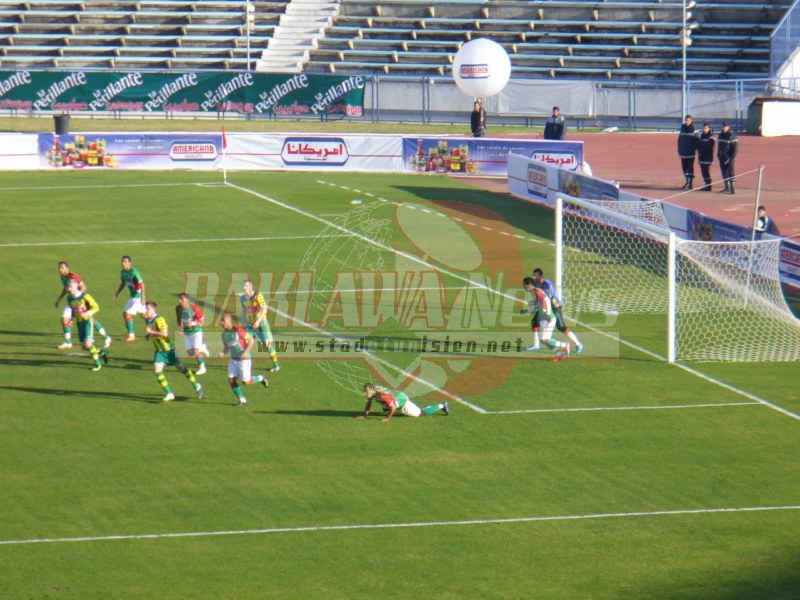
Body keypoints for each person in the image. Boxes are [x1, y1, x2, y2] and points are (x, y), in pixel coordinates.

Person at [143, 301, 203, 403]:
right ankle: (169, 393)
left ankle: (196, 385)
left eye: (147, 309)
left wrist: (151, 332)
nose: (146, 310)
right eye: (146, 308)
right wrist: (149, 336)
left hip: (168, 350)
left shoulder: (159, 319)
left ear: (153, 309)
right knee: (157, 371)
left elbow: (165, 334)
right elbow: (155, 334)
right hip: (159, 351)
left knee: (182, 369)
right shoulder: (148, 321)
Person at [55, 261, 112, 350]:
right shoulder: (62, 277)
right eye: (59, 268)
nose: (60, 270)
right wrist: (59, 299)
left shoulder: (73, 276)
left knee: (91, 320)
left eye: (62, 268)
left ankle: (106, 337)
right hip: (71, 301)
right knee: (64, 319)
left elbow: (83, 287)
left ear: (67, 268)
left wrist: (79, 299)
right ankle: (68, 342)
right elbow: (65, 289)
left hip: (79, 301)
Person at [218, 313, 268, 407]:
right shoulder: (224, 334)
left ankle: (261, 378)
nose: (221, 323)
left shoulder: (238, 330)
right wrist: (223, 353)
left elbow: (251, 340)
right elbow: (226, 347)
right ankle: (242, 399)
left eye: (223, 321)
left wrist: (245, 352)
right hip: (233, 360)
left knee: (246, 382)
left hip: (244, 360)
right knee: (231, 380)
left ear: (229, 322)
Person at [531, 268, 583, 353]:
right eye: (533, 275)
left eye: (535, 275)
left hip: (555, 307)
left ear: (541, 276)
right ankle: (536, 344)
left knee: (561, 326)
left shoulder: (547, 284)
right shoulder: (536, 284)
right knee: (534, 322)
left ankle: (577, 343)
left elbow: (547, 298)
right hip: (545, 308)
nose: (534, 277)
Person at [519, 277, 570, 361]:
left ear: (529, 285)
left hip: (548, 319)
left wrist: (548, 314)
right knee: (544, 340)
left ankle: (564, 345)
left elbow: (546, 300)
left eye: (524, 284)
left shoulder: (537, 292)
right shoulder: (533, 293)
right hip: (543, 319)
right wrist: (526, 311)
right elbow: (536, 307)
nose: (523, 286)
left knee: (544, 339)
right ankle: (559, 354)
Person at [65, 278, 109, 371]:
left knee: (88, 344)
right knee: (84, 347)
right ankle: (102, 352)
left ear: (76, 287)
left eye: (71, 287)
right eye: (68, 287)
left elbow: (96, 307)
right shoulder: (69, 298)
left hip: (87, 322)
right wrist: (71, 319)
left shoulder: (85, 296)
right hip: (79, 323)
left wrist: (87, 313)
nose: (69, 289)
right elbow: (73, 310)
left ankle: (98, 364)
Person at [241, 278, 280, 372]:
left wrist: (258, 322)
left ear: (251, 287)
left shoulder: (258, 296)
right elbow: (244, 310)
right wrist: (243, 323)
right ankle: (246, 365)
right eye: (243, 285)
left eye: (246, 286)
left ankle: (276, 365)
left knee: (266, 345)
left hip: (261, 324)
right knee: (246, 342)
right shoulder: (242, 298)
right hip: (250, 324)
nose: (244, 287)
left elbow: (264, 309)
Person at [356, 383, 449, 422]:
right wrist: (365, 415)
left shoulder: (381, 395)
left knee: (420, 413)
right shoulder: (374, 391)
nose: (365, 393)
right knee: (387, 405)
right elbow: (369, 402)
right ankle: (386, 407)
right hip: (396, 396)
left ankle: (442, 405)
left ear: (372, 390)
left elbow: (392, 407)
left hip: (403, 401)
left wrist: (388, 418)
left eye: (366, 392)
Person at [113, 255, 145, 341]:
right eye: (122, 261)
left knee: (126, 313)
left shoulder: (134, 272)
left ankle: (131, 335)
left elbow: (142, 284)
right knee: (144, 315)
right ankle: (160, 326)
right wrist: (117, 293)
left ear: (129, 263)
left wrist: (143, 297)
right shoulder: (123, 273)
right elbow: (123, 283)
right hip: (133, 296)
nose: (123, 263)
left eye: (125, 262)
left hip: (137, 296)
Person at [175, 293, 209, 376]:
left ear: (187, 300)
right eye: (179, 299)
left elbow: (202, 321)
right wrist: (179, 329)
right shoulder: (178, 308)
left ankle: (202, 367)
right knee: (190, 352)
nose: (179, 301)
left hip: (196, 331)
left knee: (196, 351)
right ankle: (202, 347)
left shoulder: (194, 308)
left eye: (181, 299)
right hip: (187, 332)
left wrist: (193, 323)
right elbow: (178, 319)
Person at [677, 114, 698, 190]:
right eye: (686, 120)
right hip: (683, 153)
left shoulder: (693, 129)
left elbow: (696, 141)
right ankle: (687, 181)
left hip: (690, 153)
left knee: (690, 168)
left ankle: (690, 183)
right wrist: (679, 150)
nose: (687, 122)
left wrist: (692, 149)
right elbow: (679, 140)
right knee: (684, 168)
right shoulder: (682, 128)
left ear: (691, 121)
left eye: (688, 120)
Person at [717, 121, 738, 194]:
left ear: (728, 127)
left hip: (729, 158)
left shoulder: (732, 136)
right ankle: (727, 187)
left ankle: (732, 188)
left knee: (731, 172)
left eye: (725, 126)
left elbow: (735, 148)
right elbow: (719, 147)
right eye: (723, 126)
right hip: (722, 157)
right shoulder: (720, 135)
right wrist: (718, 155)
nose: (724, 128)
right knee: (724, 172)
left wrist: (732, 157)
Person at [696, 123, 715, 192]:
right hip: (701, 157)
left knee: (706, 171)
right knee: (703, 171)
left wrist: (701, 151)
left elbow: (709, 146)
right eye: (704, 128)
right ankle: (706, 184)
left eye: (706, 128)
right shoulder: (702, 136)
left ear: (709, 128)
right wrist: (699, 150)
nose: (705, 129)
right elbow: (699, 144)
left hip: (707, 157)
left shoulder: (711, 137)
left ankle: (709, 186)